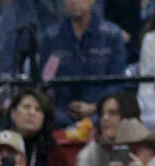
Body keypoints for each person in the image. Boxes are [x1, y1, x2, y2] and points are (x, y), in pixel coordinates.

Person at [38, 0, 127, 129]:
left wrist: (95, 107)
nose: (74, 2)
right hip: (59, 116)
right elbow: (45, 81)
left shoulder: (112, 35)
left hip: (101, 116)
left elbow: (117, 82)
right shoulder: (51, 37)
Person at [73, 89, 140, 166]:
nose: (105, 118)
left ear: (128, 116)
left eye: (112, 113)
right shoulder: (89, 156)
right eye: (102, 114)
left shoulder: (148, 151)